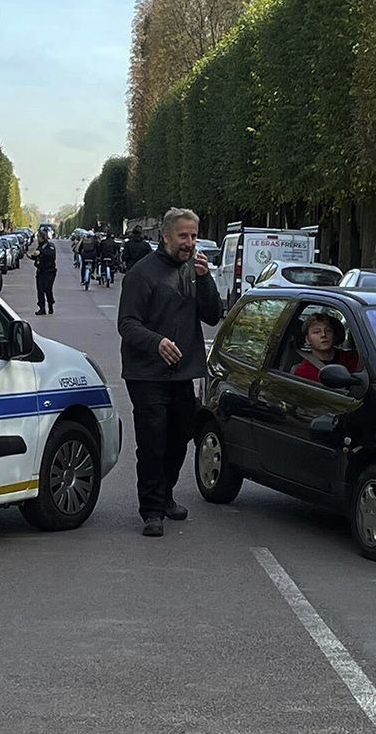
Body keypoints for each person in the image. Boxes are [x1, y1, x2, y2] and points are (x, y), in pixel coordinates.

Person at [118, 207, 224, 537]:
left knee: (180, 437)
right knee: (153, 442)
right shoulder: (141, 273)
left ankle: (166, 495)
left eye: (193, 236)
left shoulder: (197, 271)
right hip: (146, 372)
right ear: (165, 236)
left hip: (182, 371)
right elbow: (127, 324)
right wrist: (156, 342)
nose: (189, 243)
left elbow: (213, 315)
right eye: (183, 236)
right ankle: (151, 509)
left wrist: (206, 280)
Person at [291, 313, 359, 381]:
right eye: (316, 332)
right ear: (307, 339)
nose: (323, 335)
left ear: (334, 335)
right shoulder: (303, 371)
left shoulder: (353, 359)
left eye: (328, 330)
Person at [30, 232, 58, 315]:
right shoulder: (40, 246)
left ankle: (50, 304)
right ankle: (42, 308)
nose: (37, 239)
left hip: (49, 271)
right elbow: (37, 257)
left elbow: (50, 254)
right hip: (40, 271)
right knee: (40, 290)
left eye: (39, 237)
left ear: (43, 238)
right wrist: (32, 256)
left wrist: (41, 252)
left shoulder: (50, 246)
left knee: (48, 289)